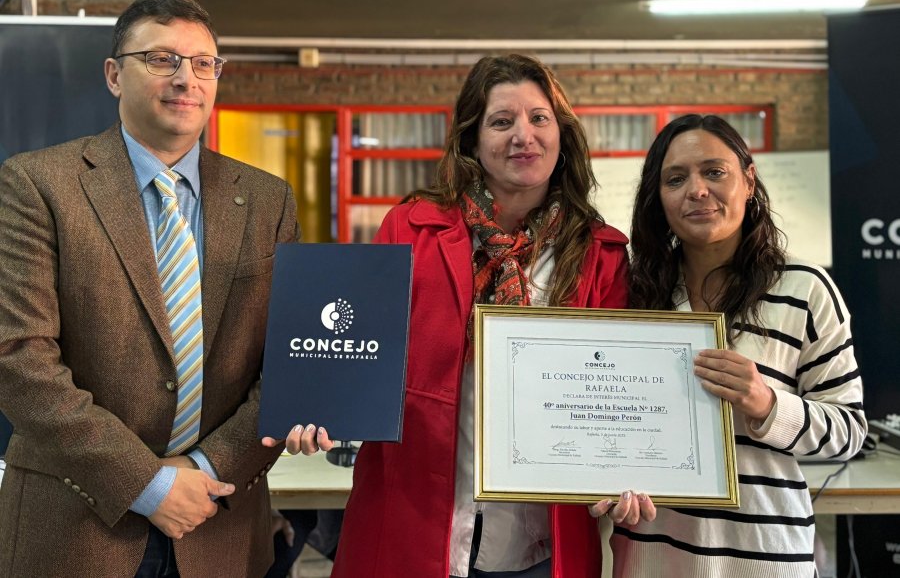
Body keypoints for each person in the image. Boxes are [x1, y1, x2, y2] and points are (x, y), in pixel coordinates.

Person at [264, 54, 655, 577]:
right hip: (418, 523)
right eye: (502, 121)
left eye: (540, 118)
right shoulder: (410, 228)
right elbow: (364, 353)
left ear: (562, 134)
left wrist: (626, 467)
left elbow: (615, 389)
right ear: (471, 138)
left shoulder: (600, 253)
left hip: (541, 540)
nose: (524, 135)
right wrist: (322, 403)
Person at [0, 0, 298, 577]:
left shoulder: (267, 199)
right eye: (162, 58)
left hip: (219, 521)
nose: (186, 78)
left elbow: (285, 363)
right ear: (114, 74)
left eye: (203, 63)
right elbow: (18, 357)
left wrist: (207, 468)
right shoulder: (38, 184)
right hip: (76, 526)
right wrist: (147, 483)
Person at [612, 114, 866, 576]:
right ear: (659, 198)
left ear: (749, 180)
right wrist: (607, 476)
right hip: (652, 556)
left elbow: (848, 432)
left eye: (714, 171)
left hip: (767, 557)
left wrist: (767, 403)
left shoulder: (805, 289)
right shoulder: (632, 293)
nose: (697, 190)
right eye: (675, 178)